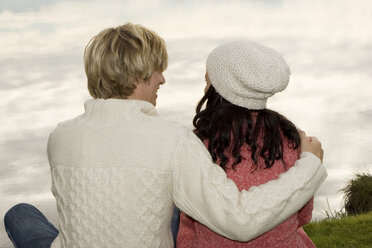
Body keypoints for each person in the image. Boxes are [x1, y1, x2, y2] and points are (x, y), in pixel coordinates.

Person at [4, 23, 326, 248]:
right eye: (156, 70)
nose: (162, 79)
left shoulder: (59, 139)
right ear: (135, 76)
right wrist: (309, 166)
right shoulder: (172, 140)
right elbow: (240, 221)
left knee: (19, 215)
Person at [176, 40, 318, 247]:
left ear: (221, 89)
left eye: (207, 81)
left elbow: (190, 215)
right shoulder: (290, 138)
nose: (205, 87)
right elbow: (303, 214)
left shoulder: (200, 143)